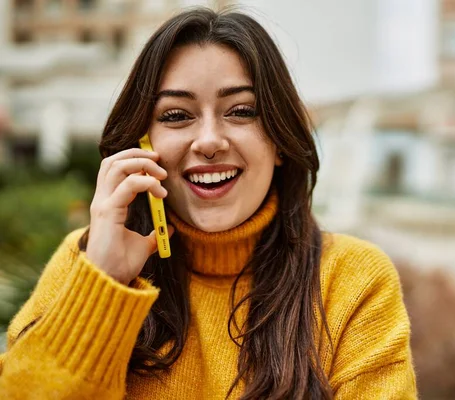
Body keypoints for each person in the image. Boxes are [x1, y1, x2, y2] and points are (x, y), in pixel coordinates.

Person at [0, 7, 417, 399]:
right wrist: (101, 285)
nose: (210, 142)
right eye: (177, 116)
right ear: (141, 146)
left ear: (278, 141)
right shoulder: (86, 262)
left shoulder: (353, 280)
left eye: (241, 111)